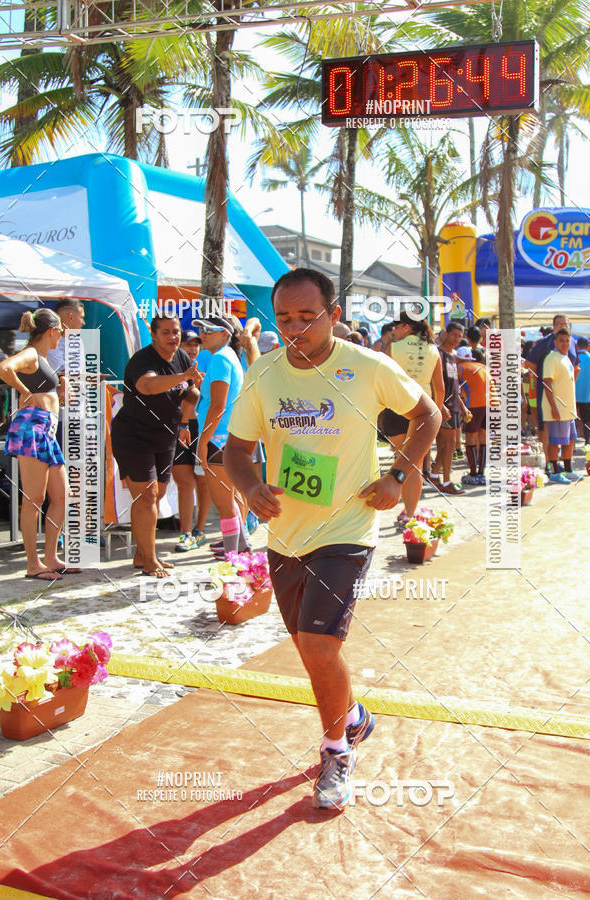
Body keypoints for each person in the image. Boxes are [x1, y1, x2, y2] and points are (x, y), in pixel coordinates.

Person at [223, 268, 440, 811]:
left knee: (321, 646)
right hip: (285, 536)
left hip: (347, 530)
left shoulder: (366, 366)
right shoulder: (263, 372)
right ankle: (354, 717)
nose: (296, 328)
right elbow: (235, 451)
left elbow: (428, 415)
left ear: (334, 315)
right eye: (285, 318)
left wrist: (397, 476)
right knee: (309, 651)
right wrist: (250, 487)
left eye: (308, 316)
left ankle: (336, 750)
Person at [111, 315, 201, 577]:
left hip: (166, 435)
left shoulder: (182, 358)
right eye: (166, 332)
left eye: (176, 332)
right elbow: (148, 386)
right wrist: (183, 376)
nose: (173, 337)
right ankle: (150, 561)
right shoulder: (142, 360)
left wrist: (184, 423)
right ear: (153, 335)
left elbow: (191, 392)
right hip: (134, 436)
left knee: (157, 495)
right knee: (147, 496)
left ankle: (142, 555)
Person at [0, 309, 71, 581]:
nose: (62, 336)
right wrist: (25, 391)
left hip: (45, 429)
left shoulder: (41, 358)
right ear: (52, 330)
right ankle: (32, 564)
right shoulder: (30, 354)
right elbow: (3, 368)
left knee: (62, 495)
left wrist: (56, 395)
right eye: (61, 331)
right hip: (33, 427)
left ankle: (50, 556)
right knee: (34, 499)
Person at [192, 315, 250, 557]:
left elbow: (218, 405)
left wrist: (203, 442)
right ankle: (240, 550)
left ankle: (232, 559)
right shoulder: (228, 358)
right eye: (201, 329)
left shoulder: (220, 359)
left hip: (218, 439)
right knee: (232, 499)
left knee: (225, 505)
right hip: (227, 436)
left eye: (209, 329)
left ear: (225, 334)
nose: (202, 333)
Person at [384, 311, 444, 525]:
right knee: (414, 464)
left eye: (397, 327)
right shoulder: (433, 350)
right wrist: (434, 418)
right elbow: (440, 388)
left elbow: (384, 380)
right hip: (423, 411)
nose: (394, 331)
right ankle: (409, 513)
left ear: (407, 327)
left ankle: (403, 509)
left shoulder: (393, 348)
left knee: (400, 460)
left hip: (396, 409)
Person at [171, 332, 211, 553]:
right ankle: (186, 532)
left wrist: (202, 384)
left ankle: (200, 529)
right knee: (184, 481)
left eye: (197, 344)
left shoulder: (210, 363)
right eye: (188, 344)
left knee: (203, 480)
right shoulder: (172, 367)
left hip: (200, 427)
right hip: (178, 427)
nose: (193, 348)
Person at [526, 314, 579, 473]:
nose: (563, 326)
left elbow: (576, 367)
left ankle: (563, 466)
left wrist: (568, 387)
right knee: (547, 432)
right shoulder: (546, 344)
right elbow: (529, 365)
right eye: (560, 323)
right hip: (547, 396)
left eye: (566, 324)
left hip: (567, 401)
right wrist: (537, 387)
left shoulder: (572, 343)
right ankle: (550, 466)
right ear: (553, 326)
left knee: (568, 437)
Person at [427, 321, 466, 494]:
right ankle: (446, 480)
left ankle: (435, 476)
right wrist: (441, 405)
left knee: (449, 445)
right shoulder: (438, 354)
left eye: (460, 336)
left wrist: (463, 407)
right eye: (454, 335)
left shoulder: (453, 356)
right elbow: (433, 383)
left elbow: (454, 386)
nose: (457, 339)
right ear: (446, 334)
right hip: (443, 406)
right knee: (447, 444)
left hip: (455, 407)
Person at [542, 328, 580, 483]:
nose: (565, 343)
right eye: (562, 340)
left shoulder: (566, 358)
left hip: (568, 410)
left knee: (569, 441)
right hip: (556, 409)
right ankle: (555, 471)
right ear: (555, 342)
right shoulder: (552, 358)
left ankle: (568, 469)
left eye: (567, 341)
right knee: (555, 441)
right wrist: (553, 407)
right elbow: (547, 383)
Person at [457, 345, 493, 485]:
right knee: (483, 437)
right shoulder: (483, 367)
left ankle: (473, 473)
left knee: (471, 438)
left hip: (474, 405)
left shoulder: (460, 368)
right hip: (490, 403)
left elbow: (455, 389)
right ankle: (481, 473)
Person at [46, 300, 86, 374]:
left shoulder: (78, 341)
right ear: (70, 317)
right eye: (81, 317)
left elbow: (82, 371)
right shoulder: (47, 339)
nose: (84, 323)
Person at [575, 337, 590, 443]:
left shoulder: (573, 359)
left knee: (572, 420)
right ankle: (588, 442)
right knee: (587, 420)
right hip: (588, 395)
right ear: (588, 346)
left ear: (577, 346)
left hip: (573, 394)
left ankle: (571, 445)